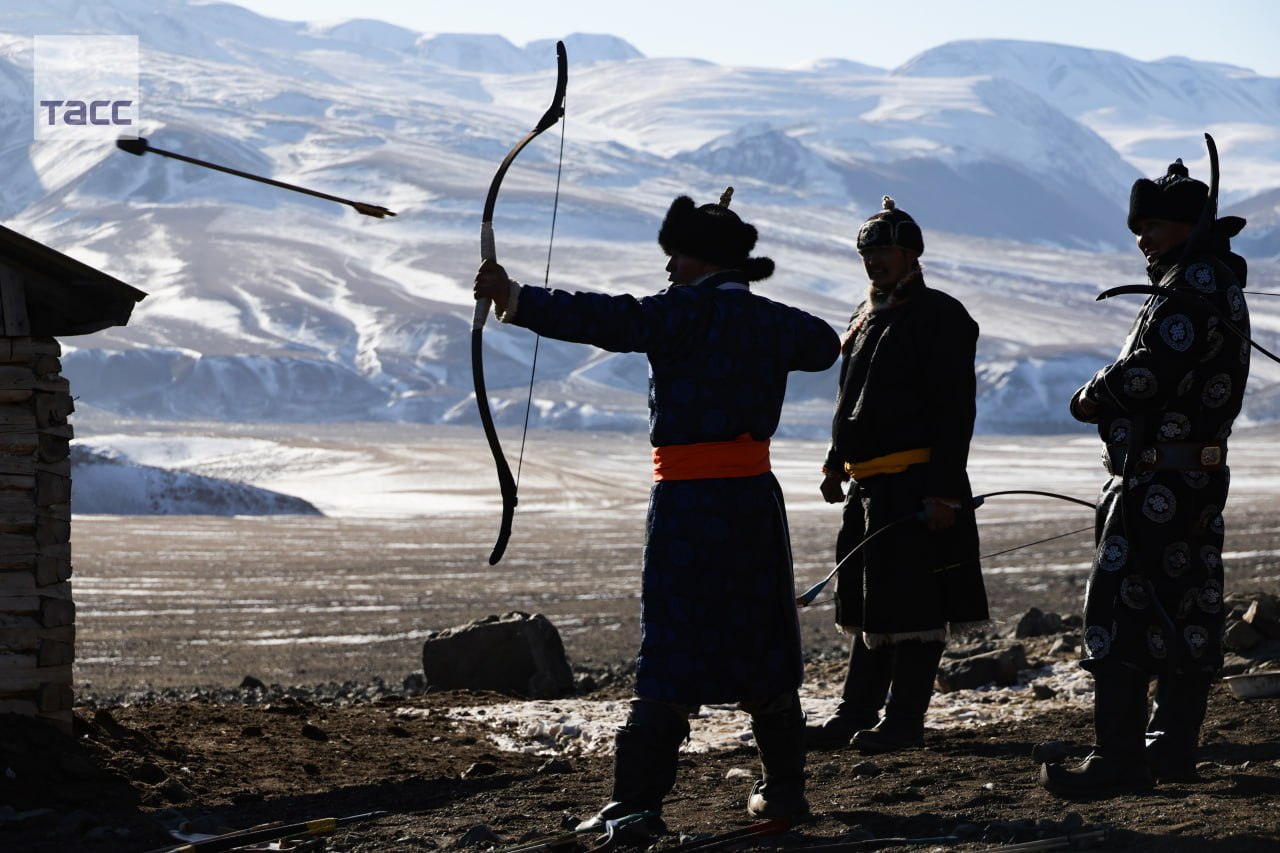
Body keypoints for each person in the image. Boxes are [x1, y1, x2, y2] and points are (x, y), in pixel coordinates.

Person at [473, 188, 840, 827]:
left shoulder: (679, 314)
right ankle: (785, 792)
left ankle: (636, 803)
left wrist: (517, 298)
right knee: (760, 634)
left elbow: (607, 318)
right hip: (753, 505)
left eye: (678, 255)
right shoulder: (776, 322)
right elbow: (825, 343)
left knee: (672, 638)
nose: (668, 267)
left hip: (688, 507)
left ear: (703, 259)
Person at [1041, 158, 1250, 796]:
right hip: (1194, 479)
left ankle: (1120, 759)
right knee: (1186, 603)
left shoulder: (1192, 283)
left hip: (1158, 483)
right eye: (1140, 229)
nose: (1143, 240)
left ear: (1188, 226)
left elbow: (1149, 374)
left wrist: (1092, 394)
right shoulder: (1208, 279)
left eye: (1153, 227)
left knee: (1124, 607)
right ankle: (1170, 747)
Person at [805, 196, 989, 754]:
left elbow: (954, 411)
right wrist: (836, 463)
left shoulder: (941, 316)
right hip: (868, 488)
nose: (874, 262)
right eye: (868, 253)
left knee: (916, 607)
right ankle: (855, 713)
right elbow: (850, 398)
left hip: (918, 485)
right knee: (871, 605)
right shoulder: (864, 317)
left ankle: (905, 720)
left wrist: (943, 492)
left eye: (885, 251)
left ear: (912, 255)